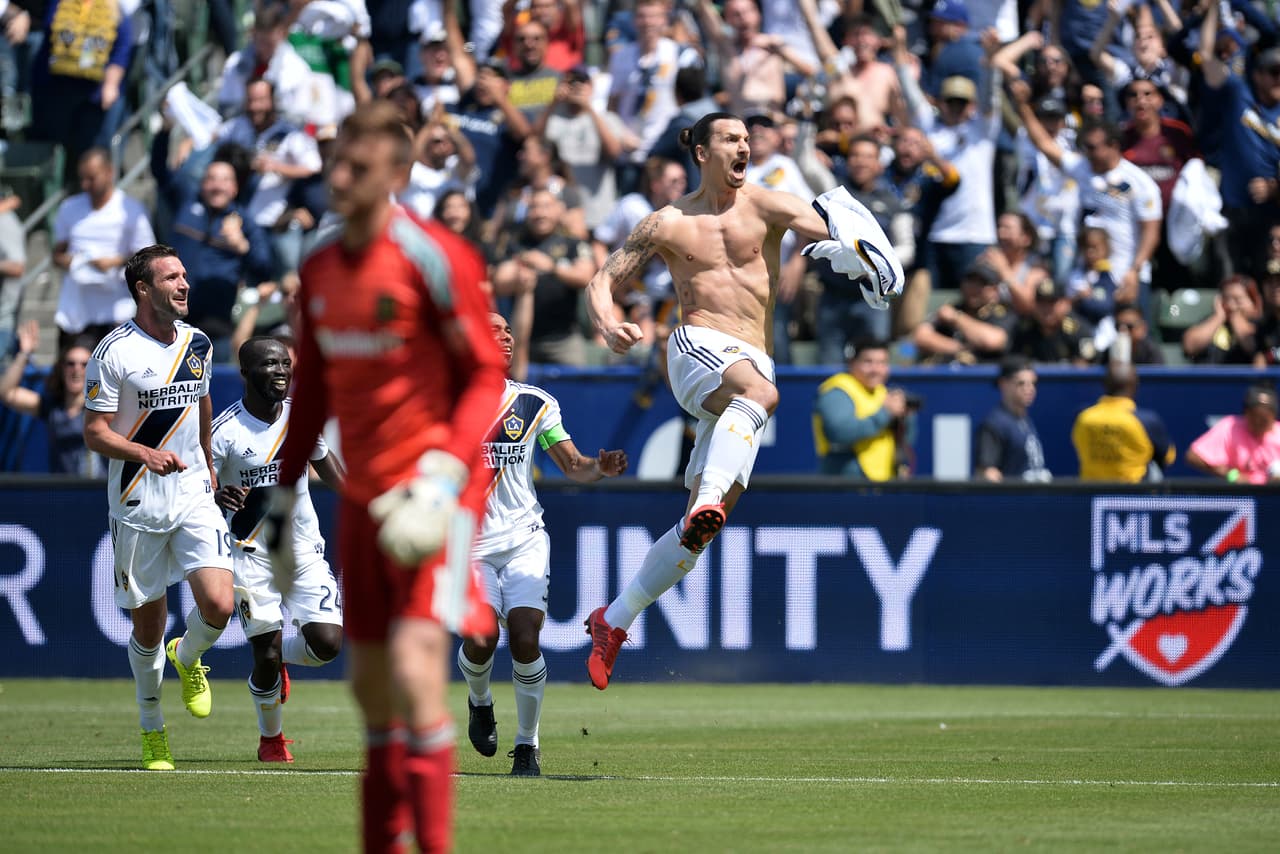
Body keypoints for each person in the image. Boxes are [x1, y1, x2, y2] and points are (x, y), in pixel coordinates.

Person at [270, 101, 505, 853]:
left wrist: (441, 478)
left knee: (413, 672)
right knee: (370, 695)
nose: (339, 177)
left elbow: (483, 376)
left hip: (433, 499)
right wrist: (281, 495)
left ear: (399, 174)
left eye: (358, 167)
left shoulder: (436, 257)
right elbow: (311, 393)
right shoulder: (317, 266)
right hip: (364, 501)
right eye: (337, 161)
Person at [581, 111, 850, 690]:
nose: (744, 147)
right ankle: (704, 498)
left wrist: (866, 256)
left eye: (747, 139)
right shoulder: (668, 222)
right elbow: (601, 282)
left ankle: (613, 619)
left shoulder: (772, 204)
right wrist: (609, 324)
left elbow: (831, 226)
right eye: (731, 139)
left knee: (700, 530)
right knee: (762, 394)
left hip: (752, 359)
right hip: (696, 346)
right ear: (702, 152)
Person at [82, 244, 236, 771]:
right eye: (171, 277)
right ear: (143, 289)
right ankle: (153, 729)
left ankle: (188, 656)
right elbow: (95, 432)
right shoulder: (113, 352)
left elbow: (203, 400)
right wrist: (143, 452)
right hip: (138, 503)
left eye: (184, 275)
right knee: (148, 630)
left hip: (193, 492)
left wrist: (210, 465)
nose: (184, 284)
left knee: (219, 605)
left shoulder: (199, 342)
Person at [457, 312, 628, 777]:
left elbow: (572, 465)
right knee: (481, 638)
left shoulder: (533, 403)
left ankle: (527, 744)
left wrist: (601, 466)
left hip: (523, 539)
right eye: (492, 331)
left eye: (508, 330)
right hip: (467, 542)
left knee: (526, 638)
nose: (505, 337)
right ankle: (479, 701)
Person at [211, 336, 346, 763]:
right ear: (246, 372)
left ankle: (280, 657)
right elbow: (198, 486)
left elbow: (329, 467)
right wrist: (216, 496)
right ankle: (271, 739)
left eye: (286, 363)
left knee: (327, 645)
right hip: (249, 553)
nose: (282, 371)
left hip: (301, 550)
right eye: (270, 364)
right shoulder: (224, 431)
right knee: (264, 651)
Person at [52, 148, 156, 351]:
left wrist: (114, 261)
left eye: (91, 178)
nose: (85, 185)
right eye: (82, 179)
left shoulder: (132, 209)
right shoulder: (69, 208)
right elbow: (57, 255)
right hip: (77, 310)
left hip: (117, 310)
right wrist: (75, 262)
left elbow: (148, 257)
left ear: (109, 172)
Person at [0, 320, 103, 475]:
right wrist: (24, 354)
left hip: (97, 491)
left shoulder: (104, 406)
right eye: (70, 363)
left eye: (84, 364)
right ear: (61, 368)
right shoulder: (53, 407)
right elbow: (7, 393)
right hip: (62, 492)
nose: (76, 370)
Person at [812, 339, 909, 480]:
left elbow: (907, 440)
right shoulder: (837, 391)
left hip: (881, 480)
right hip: (847, 483)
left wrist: (905, 418)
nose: (876, 369)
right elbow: (839, 432)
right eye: (868, 362)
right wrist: (886, 413)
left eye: (882, 363)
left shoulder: (883, 392)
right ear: (852, 363)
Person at [1071, 362, 1174, 482]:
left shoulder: (1082, 416)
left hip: (1092, 494)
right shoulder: (1147, 420)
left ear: (1104, 385)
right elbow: (1167, 458)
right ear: (1134, 386)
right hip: (1133, 496)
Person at [974, 356, 1050, 482]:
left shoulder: (1024, 420)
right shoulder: (995, 424)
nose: (1029, 389)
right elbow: (986, 472)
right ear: (1003, 384)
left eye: (1033, 383)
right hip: (1015, 500)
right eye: (1021, 383)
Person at [1186, 383, 1280, 484]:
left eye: (1263, 418)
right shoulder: (1229, 426)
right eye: (1254, 416)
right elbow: (1193, 456)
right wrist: (1232, 475)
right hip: (1239, 497)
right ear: (1246, 413)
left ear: (1273, 416)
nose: (1257, 422)